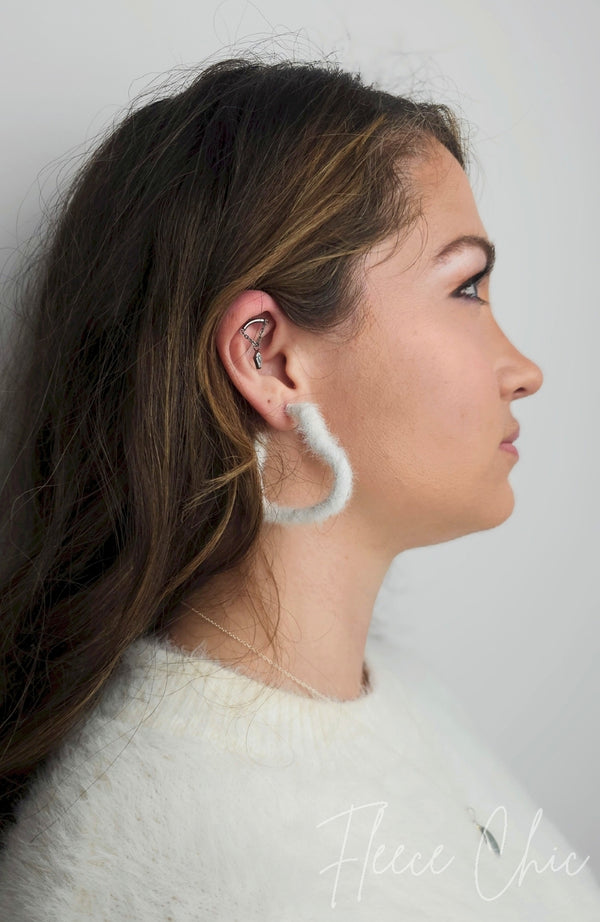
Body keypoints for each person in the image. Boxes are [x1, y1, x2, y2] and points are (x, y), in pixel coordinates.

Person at [0, 54, 598, 920]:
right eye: (465, 286)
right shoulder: (189, 854)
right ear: (268, 359)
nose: (524, 371)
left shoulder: (399, 699)